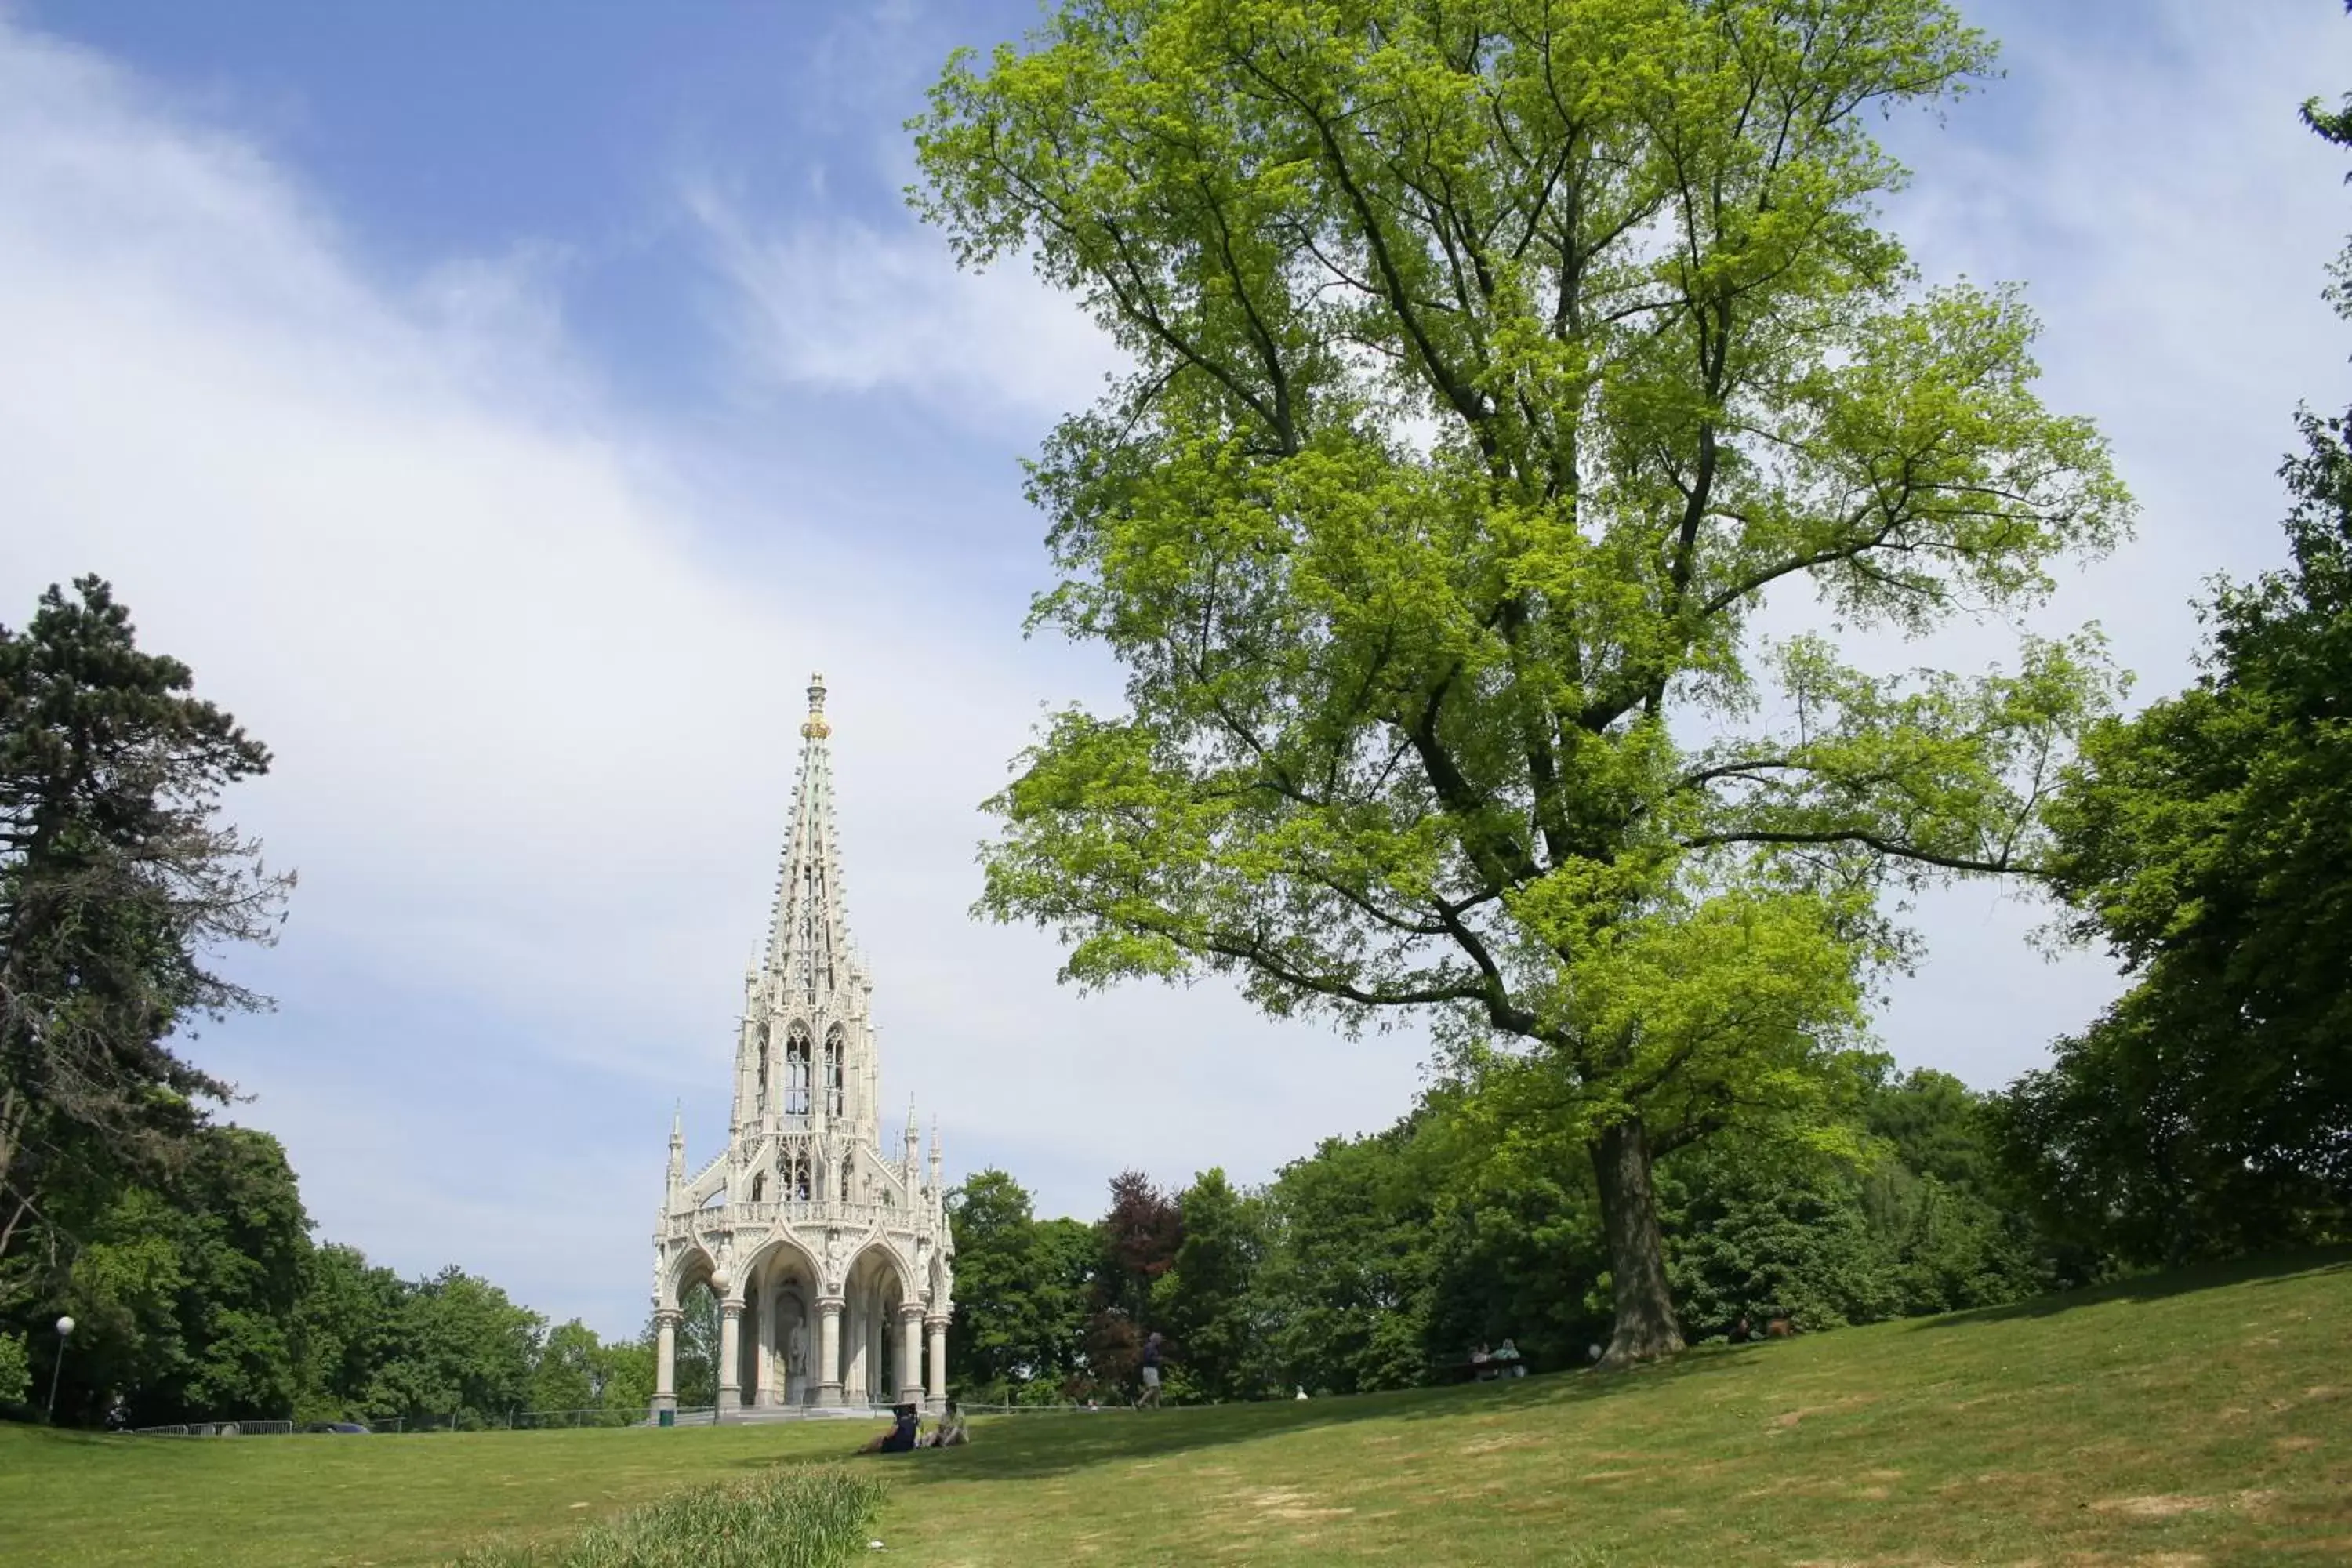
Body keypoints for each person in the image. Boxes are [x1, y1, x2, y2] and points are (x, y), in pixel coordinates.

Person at [856, 1403, 921, 1455]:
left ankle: (865, 1449)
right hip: (908, 1447)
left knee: (879, 1438)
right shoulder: (913, 1424)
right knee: (880, 1440)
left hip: (897, 1446)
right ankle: (867, 1448)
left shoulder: (899, 1423)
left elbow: (889, 1435)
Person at [1136, 1331, 1165, 1408]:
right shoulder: (1150, 1347)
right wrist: (1158, 1359)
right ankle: (1140, 1402)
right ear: (1156, 1339)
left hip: (1151, 1369)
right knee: (1153, 1388)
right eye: (1160, 1339)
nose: (1160, 1341)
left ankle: (1156, 1406)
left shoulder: (1152, 1347)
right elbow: (1149, 1358)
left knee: (1157, 1388)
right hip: (1150, 1369)